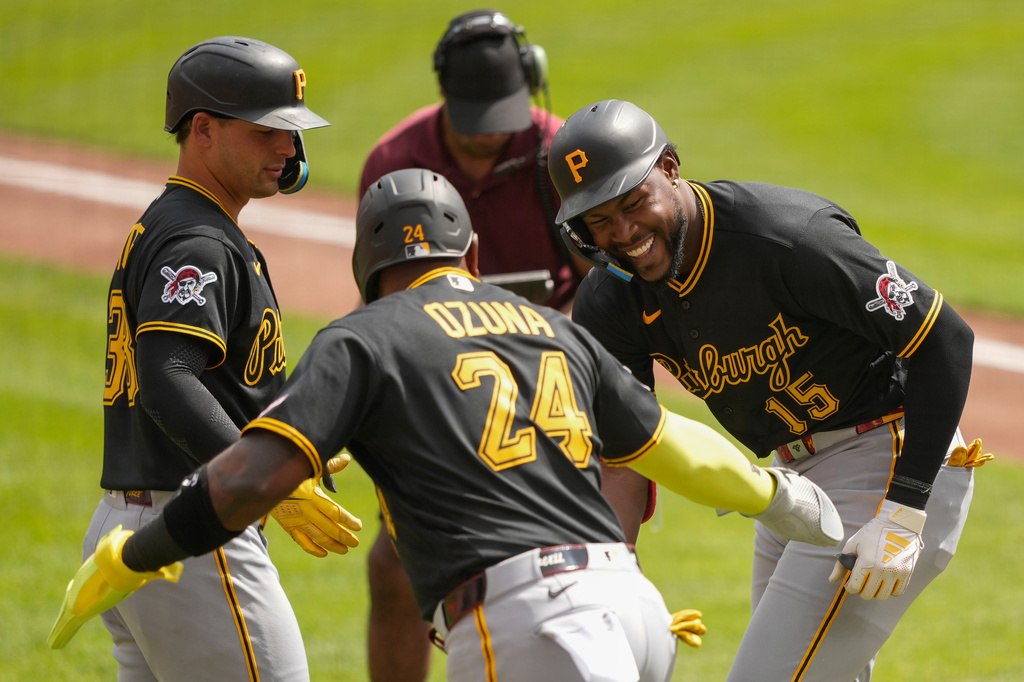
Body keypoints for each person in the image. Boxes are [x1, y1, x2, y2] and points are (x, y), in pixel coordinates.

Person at [49, 168, 844, 682]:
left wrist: (137, 552)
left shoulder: (363, 338)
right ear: (469, 255)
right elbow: (676, 448)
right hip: (631, 607)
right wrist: (789, 502)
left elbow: (249, 477)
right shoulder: (553, 328)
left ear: (366, 262)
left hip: (535, 626)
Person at [547, 99, 992, 681]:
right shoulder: (611, 301)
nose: (624, 232)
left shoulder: (784, 238)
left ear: (672, 168)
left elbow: (945, 338)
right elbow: (624, 457)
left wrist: (905, 508)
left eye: (635, 202)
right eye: (598, 221)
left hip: (890, 459)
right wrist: (609, 572)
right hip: (790, 487)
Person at [53, 37, 362, 680]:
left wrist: (282, 441)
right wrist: (265, 479)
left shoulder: (182, 224)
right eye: (268, 131)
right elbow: (169, 379)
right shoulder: (199, 239)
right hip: (191, 532)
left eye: (293, 132)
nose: (289, 149)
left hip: (141, 522)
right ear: (204, 130)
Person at [357, 10, 593, 679]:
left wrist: (541, 332)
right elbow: (379, 293)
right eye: (475, 121)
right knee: (394, 564)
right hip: (439, 378)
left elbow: (603, 284)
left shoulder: (559, 152)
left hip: (544, 377)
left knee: (562, 560)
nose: (491, 138)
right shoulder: (394, 161)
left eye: (503, 118)